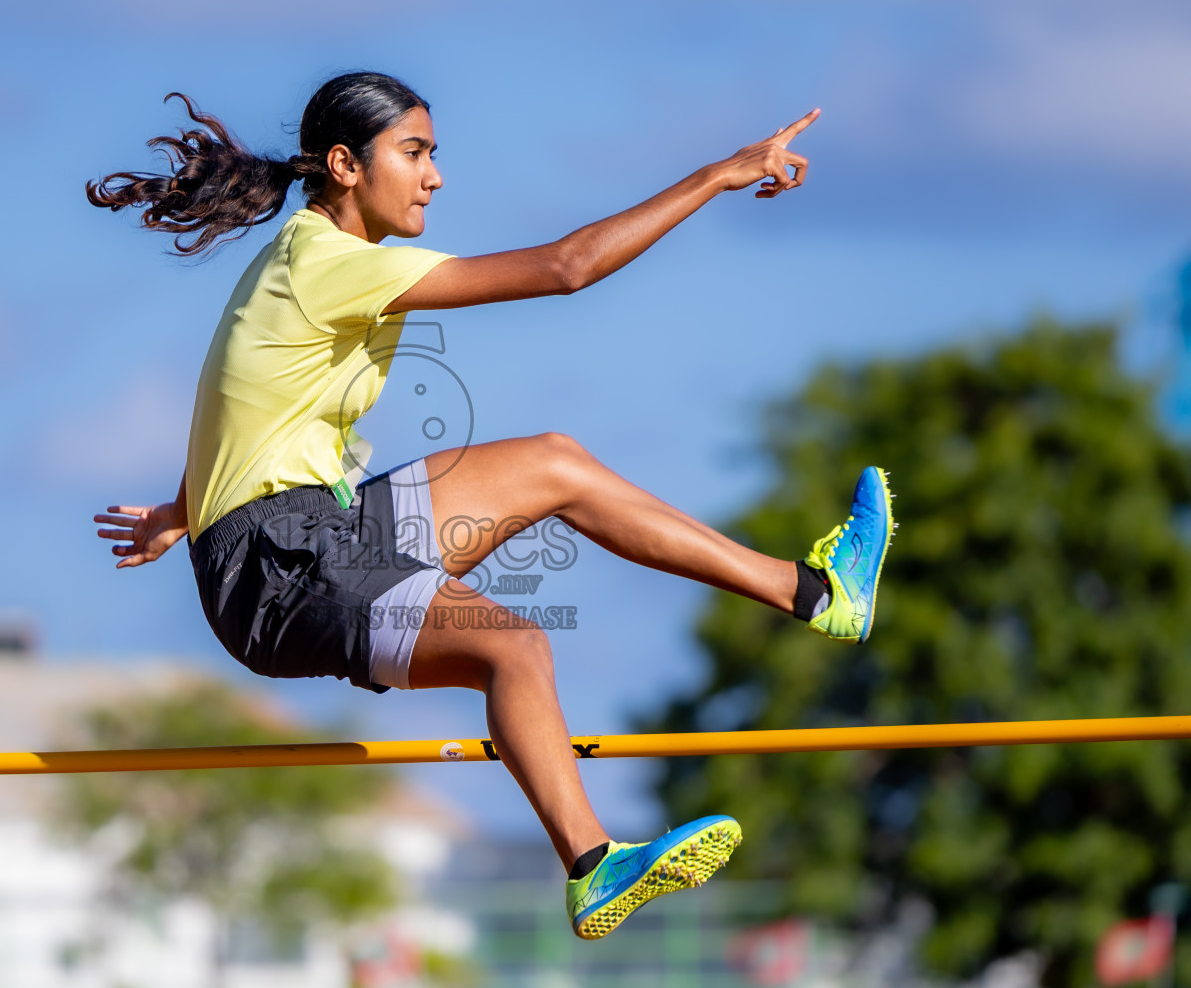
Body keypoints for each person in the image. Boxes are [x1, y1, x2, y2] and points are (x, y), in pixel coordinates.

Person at [89, 72, 894, 940]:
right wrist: (717, 174)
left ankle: (817, 592)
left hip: (311, 530)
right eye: (415, 154)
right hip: (276, 569)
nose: (435, 177)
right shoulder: (326, 264)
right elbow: (566, 268)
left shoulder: (313, 258)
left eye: (433, 155)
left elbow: (242, 389)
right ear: (345, 166)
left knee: (556, 464)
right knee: (514, 647)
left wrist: (184, 509)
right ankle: (592, 863)